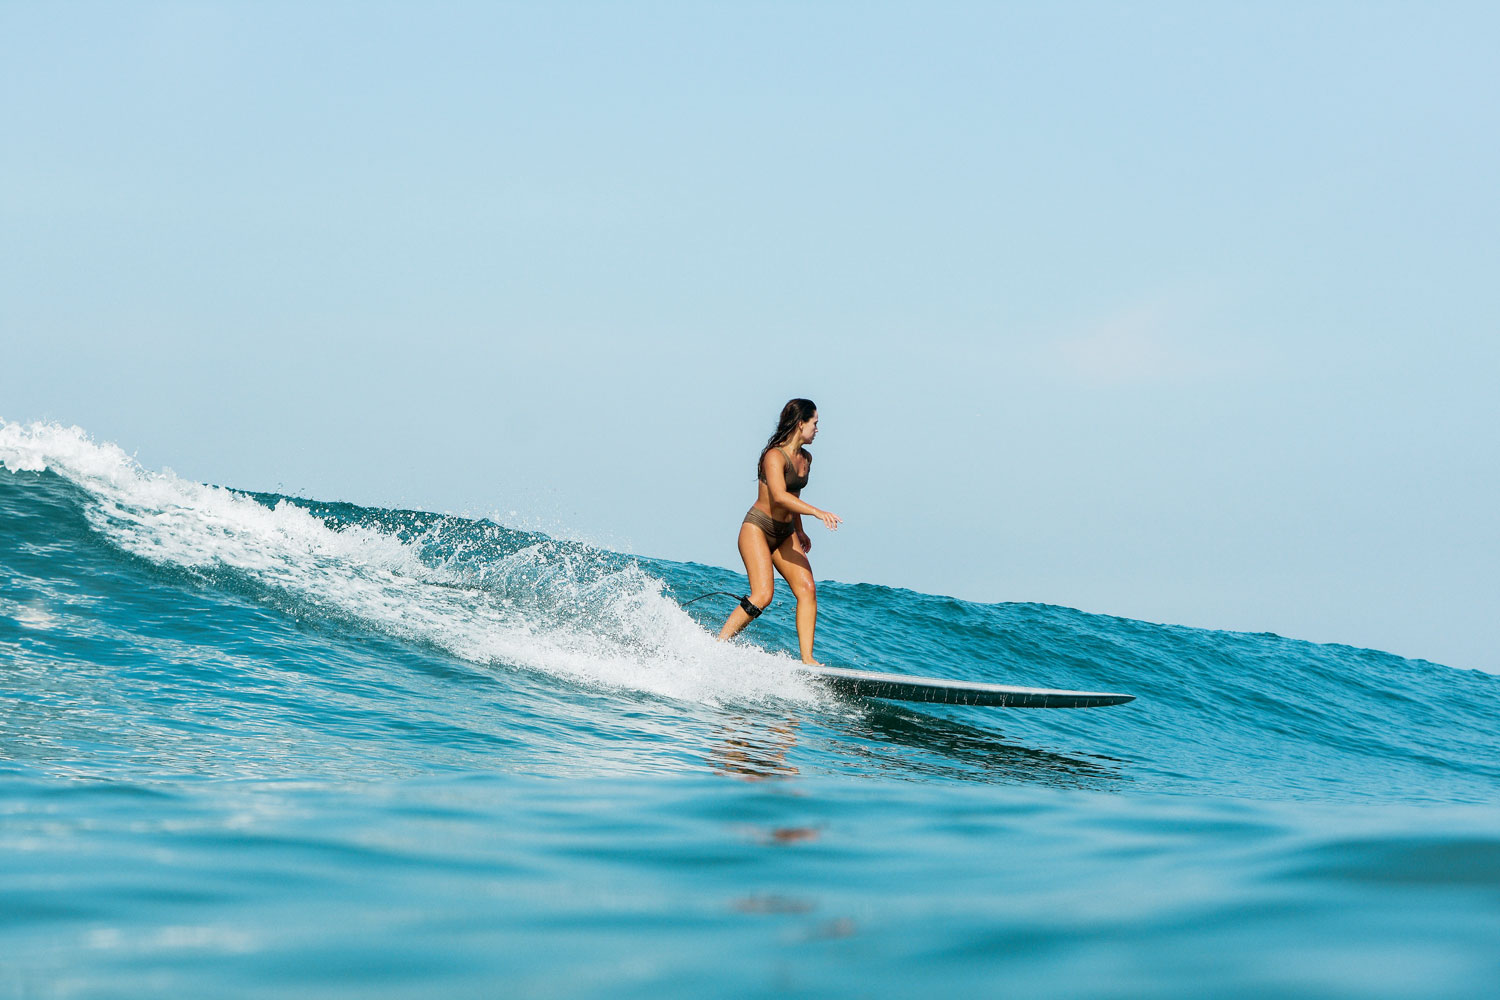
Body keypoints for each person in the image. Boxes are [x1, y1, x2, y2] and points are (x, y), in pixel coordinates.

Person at [718, 398, 842, 664]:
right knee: (763, 595)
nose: (817, 429)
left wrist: (800, 529)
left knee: (807, 588)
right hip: (758, 529)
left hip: (786, 533)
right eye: (815, 423)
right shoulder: (774, 456)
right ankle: (719, 646)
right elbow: (779, 496)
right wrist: (818, 512)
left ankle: (807, 659)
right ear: (801, 424)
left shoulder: (806, 459)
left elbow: (793, 495)